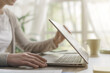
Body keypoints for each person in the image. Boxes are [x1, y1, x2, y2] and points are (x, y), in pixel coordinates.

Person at [0, 0, 65, 69]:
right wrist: (7, 58)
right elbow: (8, 58)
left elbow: (27, 46)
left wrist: (54, 41)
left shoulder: (10, 16)